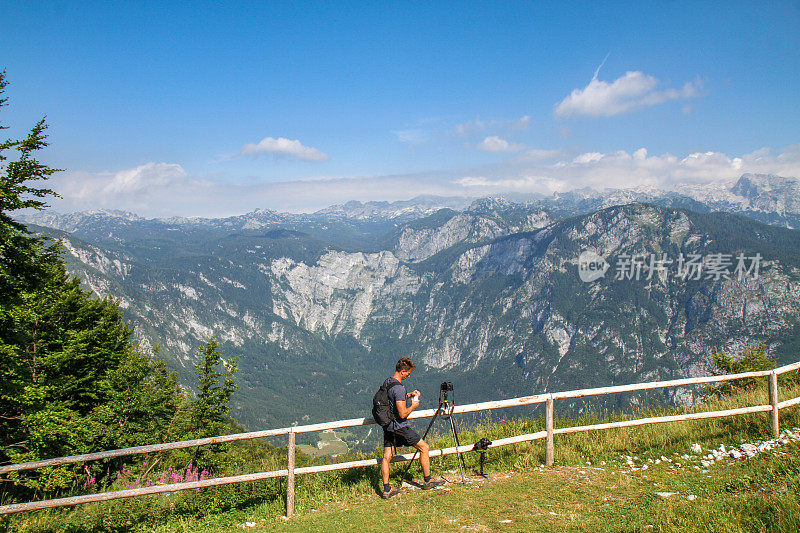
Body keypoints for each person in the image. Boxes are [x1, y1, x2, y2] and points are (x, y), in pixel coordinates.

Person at [380, 357, 445, 499]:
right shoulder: (399, 387)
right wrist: (413, 406)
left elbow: (394, 398)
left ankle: (386, 490)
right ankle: (428, 480)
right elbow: (402, 413)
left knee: (387, 457)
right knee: (424, 448)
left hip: (388, 426)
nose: (409, 375)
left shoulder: (389, 382)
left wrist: (409, 395)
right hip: (399, 427)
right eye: (408, 373)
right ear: (402, 371)